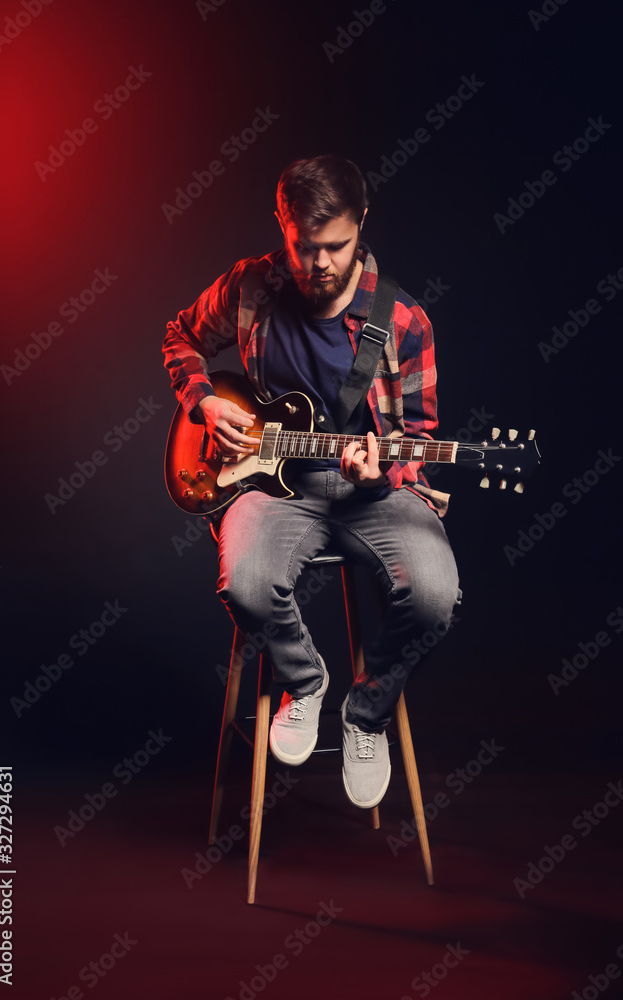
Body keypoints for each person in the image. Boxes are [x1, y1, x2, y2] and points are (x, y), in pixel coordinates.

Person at [163, 154, 461, 809]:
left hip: (373, 498)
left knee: (436, 595)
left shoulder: (404, 321)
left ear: (361, 226)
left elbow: (420, 442)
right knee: (241, 583)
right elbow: (180, 335)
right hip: (271, 492)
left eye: (336, 246)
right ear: (282, 226)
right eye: (304, 247)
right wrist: (203, 402)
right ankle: (305, 681)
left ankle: (366, 713)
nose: (319, 264)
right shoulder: (250, 287)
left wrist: (384, 470)